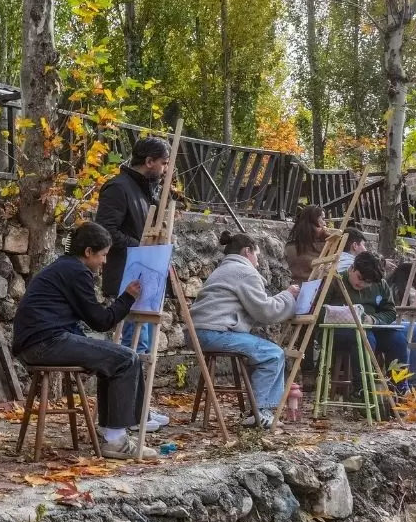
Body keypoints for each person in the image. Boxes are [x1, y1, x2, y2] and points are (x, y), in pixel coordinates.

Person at [12, 222, 157, 459]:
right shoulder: (77, 272)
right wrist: (128, 298)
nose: (105, 262)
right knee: (126, 358)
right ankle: (116, 440)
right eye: (103, 255)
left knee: (112, 359)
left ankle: (112, 432)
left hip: (37, 343)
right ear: (88, 252)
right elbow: (100, 321)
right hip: (46, 343)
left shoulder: (64, 267)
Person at [95, 135, 171, 431]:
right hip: (127, 277)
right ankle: (128, 415)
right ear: (149, 161)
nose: (165, 169)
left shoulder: (144, 190)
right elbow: (106, 232)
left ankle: (139, 408)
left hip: (144, 277)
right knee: (130, 346)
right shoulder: (118, 188)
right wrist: (143, 249)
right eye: (163, 163)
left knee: (143, 344)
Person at [190, 232, 299, 428]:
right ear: (247, 251)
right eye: (256, 255)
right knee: (273, 354)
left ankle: (256, 410)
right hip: (214, 333)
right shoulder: (245, 272)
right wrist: (288, 296)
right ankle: (260, 412)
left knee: (260, 350)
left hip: (197, 332)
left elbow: (249, 312)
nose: (257, 262)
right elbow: (265, 311)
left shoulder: (223, 269)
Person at [327, 252, 416, 389]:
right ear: (352, 268)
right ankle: (363, 389)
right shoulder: (336, 280)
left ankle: (398, 388)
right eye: (360, 278)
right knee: (365, 338)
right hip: (340, 330)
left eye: (368, 282)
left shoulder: (380, 284)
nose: (362, 284)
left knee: (397, 340)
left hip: (372, 327)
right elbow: (320, 310)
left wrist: (374, 319)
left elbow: (390, 312)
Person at [285, 205, 333, 285]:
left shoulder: (290, 245)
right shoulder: (321, 245)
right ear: (314, 221)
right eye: (323, 219)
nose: (325, 223)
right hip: (313, 289)